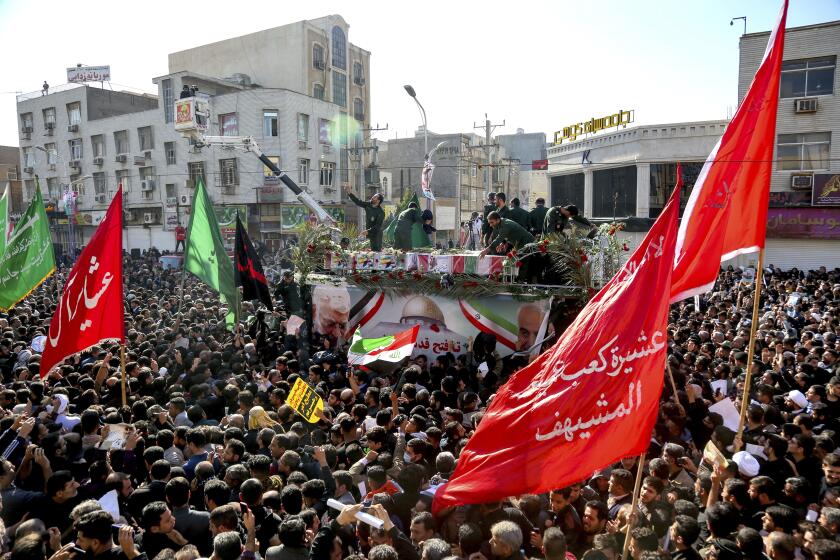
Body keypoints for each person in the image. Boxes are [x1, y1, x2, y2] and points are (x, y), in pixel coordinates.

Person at [345, 185, 385, 251]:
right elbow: (358, 202)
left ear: (378, 201)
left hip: (377, 234)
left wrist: (368, 231)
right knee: (371, 252)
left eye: (375, 197)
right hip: (370, 234)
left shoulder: (381, 212)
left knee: (376, 252)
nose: (372, 197)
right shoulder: (368, 205)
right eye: (373, 196)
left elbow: (378, 226)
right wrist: (349, 193)